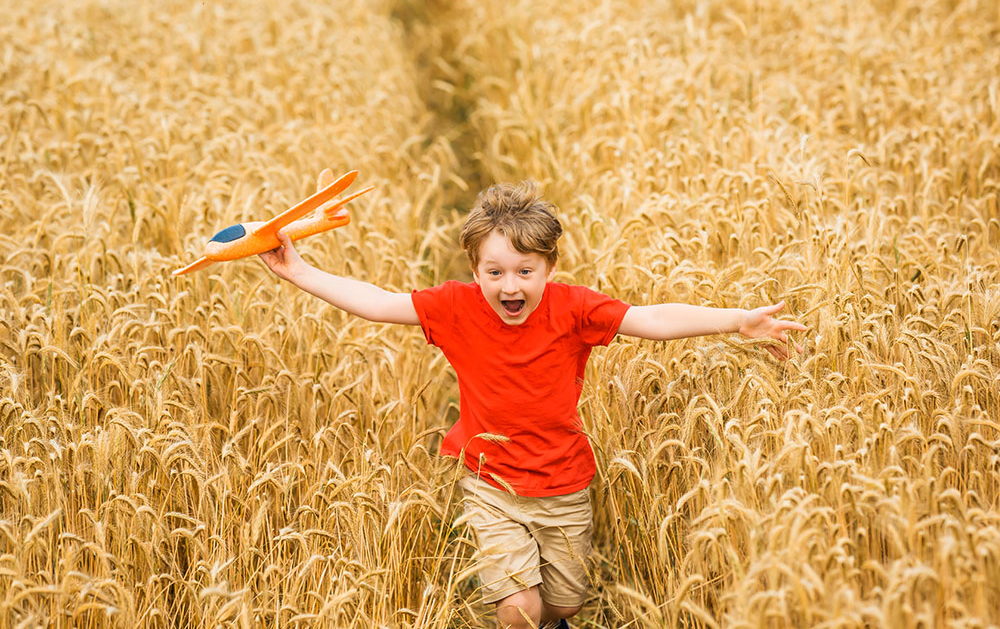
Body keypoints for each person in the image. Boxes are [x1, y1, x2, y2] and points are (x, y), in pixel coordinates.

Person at [259, 181, 806, 629]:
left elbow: (654, 320)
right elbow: (377, 304)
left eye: (525, 271)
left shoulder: (574, 309)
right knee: (519, 611)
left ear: (549, 268)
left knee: (562, 606)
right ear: (475, 272)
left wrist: (739, 320)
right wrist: (299, 271)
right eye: (495, 272)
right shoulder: (455, 307)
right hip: (491, 482)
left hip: (564, 483)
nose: (510, 284)